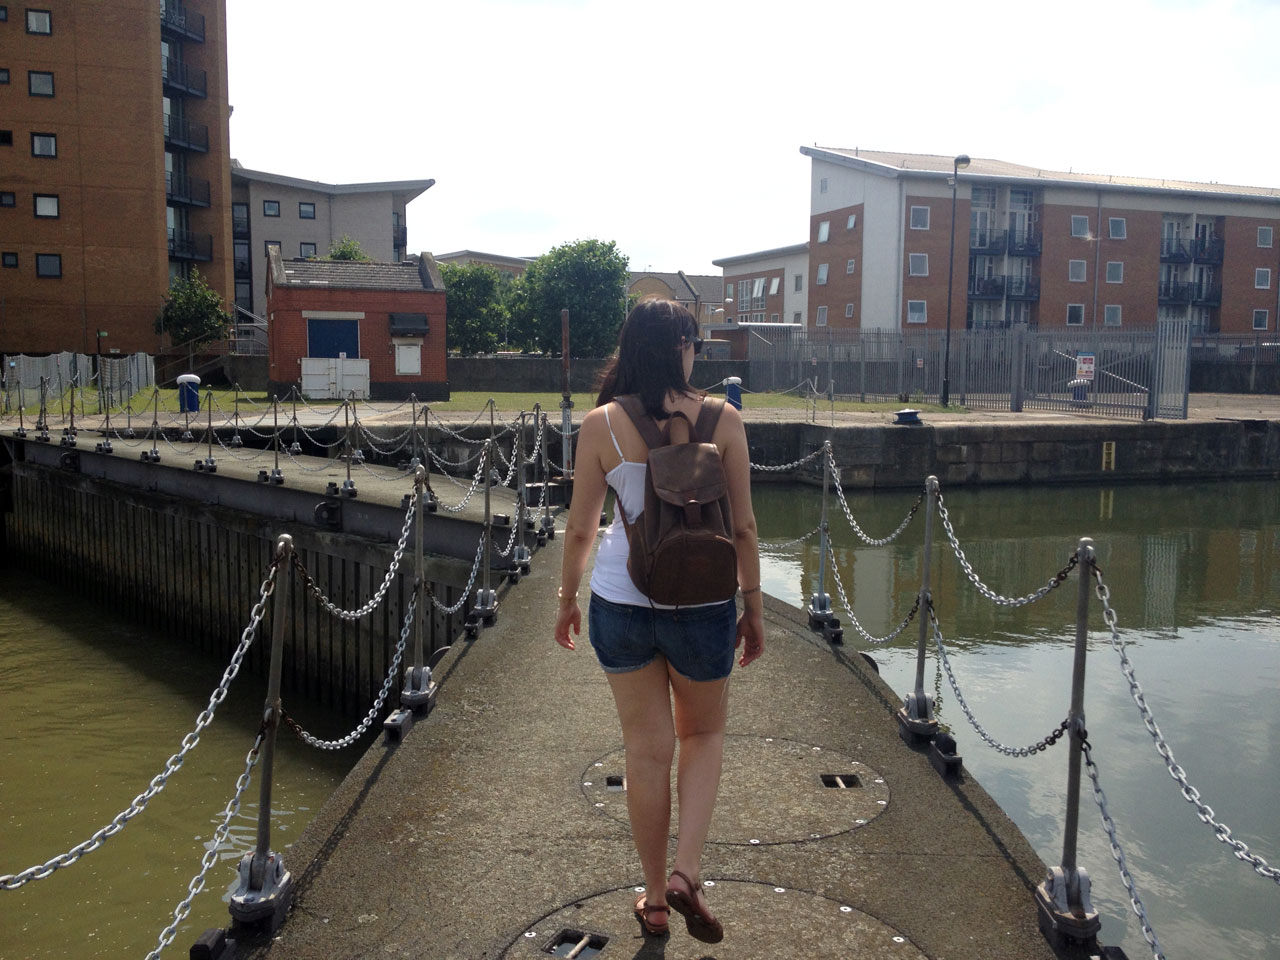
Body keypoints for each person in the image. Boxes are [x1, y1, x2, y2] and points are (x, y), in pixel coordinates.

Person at [553, 297, 764, 944]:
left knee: (647, 753)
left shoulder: (601, 424)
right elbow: (746, 527)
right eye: (694, 341)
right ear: (682, 348)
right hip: (702, 603)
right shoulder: (723, 419)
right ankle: (686, 872)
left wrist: (567, 599)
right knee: (701, 736)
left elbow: (582, 528)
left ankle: (653, 902)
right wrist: (752, 606)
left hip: (622, 601)